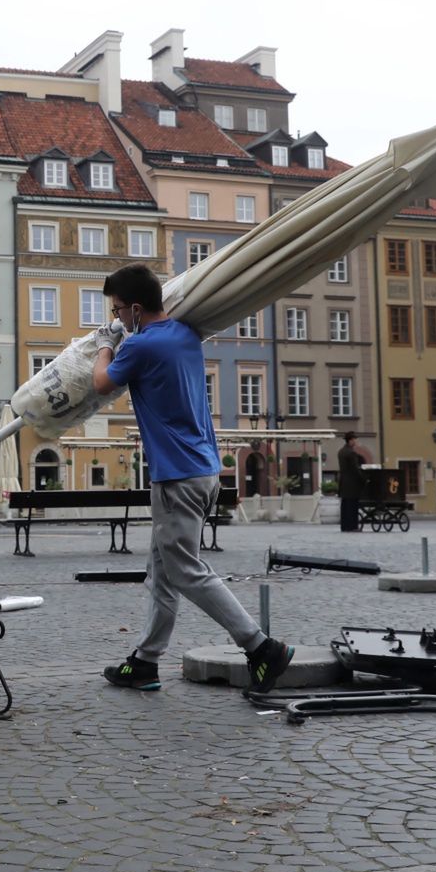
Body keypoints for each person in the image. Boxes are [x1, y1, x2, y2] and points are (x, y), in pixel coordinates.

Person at [91, 262, 294, 693]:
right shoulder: (186, 334)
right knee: (162, 571)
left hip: (176, 476)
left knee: (185, 570)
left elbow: (101, 383)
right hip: (203, 470)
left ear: (137, 309)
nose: (116, 318)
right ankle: (145, 662)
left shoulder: (138, 346)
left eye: (118, 310)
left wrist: (103, 345)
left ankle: (260, 648)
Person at [337, 432, 365, 532]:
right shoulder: (351, 453)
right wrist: (363, 479)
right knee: (353, 506)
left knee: (345, 506)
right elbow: (355, 469)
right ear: (350, 440)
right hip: (352, 483)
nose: (355, 441)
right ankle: (353, 526)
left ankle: (344, 526)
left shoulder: (341, 451)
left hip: (344, 482)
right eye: (354, 439)